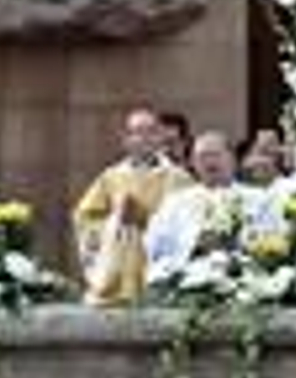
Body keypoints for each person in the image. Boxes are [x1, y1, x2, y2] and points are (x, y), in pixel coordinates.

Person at [71, 105, 191, 306]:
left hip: (160, 268)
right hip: (117, 271)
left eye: (151, 132)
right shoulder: (110, 177)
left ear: (159, 138)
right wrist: (116, 219)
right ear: (126, 139)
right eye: (137, 132)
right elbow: (85, 218)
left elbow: (190, 225)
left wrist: (145, 219)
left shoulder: (179, 179)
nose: (145, 139)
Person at [144, 131, 272, 279]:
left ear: (232, 159)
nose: (210, 162)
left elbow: (271, 241)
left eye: (216, 154)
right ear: (192, 163)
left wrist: (234, 244)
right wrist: (195, 246)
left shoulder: (258, 199)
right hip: (188, 281)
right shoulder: (176, 202)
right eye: (202, 156)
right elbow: (154, 247)